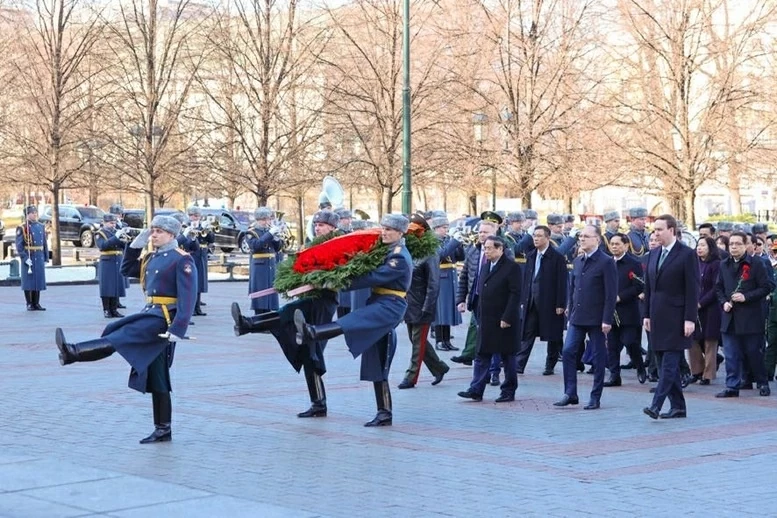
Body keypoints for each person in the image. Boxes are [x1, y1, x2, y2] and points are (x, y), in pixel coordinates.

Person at [55, 215, 196, 443]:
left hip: (163, 319)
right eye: (153, 231)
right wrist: (134, 246)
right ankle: (163, 429)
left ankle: (74, 352)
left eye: (159, 231)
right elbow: (127, 269)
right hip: (150, 312)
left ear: (172, 234)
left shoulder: (182, 259)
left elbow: (188, 297)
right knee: (157, 374)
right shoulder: (152, 257)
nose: (154, 235)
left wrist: (178, 328)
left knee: (122, 334)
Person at [294, 214, 413, 427]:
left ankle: (313, 332)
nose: (384, 232)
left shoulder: (399, 256)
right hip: (379, 301)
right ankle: (384, 413)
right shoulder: (384, 249)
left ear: (400, 233)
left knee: (355, 320)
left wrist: (337, 282)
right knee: (377, 360)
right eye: (383, 228)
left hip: (391, 305)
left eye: (389, 230)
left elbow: (374, 277)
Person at [232, 209, 340, 418]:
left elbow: (340, 273)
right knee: (309, 352)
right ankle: (318, 404)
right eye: (316, 224)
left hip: (324, 300)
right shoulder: (311, 244)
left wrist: (320, 278)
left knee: (303, 334)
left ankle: (248, 324)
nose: (317, 227)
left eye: (322, 225)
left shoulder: (339, 245)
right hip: (309, 297)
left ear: (332, 228)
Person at [643, 214, 699, 420]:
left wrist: (690, 319)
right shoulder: (653, 254)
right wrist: (646, 314)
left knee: (668, 366)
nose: (655, 233)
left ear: (671, 230)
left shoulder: (686, 254)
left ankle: (656, 405)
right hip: (657, 317)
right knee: (664, 364)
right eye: (654, 229)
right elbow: (649, 287)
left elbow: (693, 289)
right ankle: (678, 407)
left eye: (659, 229)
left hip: (677, 318)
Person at [554, 225, 617, 410]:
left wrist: (607, 319)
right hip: (577, 317)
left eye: (586, 236)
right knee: (568, 351)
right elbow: (573, 287)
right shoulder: (579, 260)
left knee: (598, 358)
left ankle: (595, 396)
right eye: (580, 236)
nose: (581, 239)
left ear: (596, 239)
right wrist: (570, 308)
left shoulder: (606, 262)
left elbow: (610, 293)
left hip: (597, 318)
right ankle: (570, 392)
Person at [450, 212, 514, 386]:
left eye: (485, 232)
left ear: (494, 234)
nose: (481, 235)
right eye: (480, 232)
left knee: (493, 339)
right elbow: (464, 277)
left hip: (497, 304)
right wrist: (461, 299)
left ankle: (494, 373)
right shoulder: (472, 250)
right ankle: (480, 379)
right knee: (481, 340)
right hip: (477, 300)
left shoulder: (505, 252)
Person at [457, 236, 521, 402]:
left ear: (500, 249)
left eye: (489, 248)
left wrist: (507, 317)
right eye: (485, 248)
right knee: (481, 354)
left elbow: (515, 295)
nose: (486, 251)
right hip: (486, 319)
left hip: (504, 320)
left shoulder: (511, 267)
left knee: (507, 357)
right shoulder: (485, 267)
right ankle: (476, 389)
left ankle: (508, 390)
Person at [715, 231, 772, 398]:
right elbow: (718, 287)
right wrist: (724, 301)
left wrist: (746, 297)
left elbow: (767, 286)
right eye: (731, 244)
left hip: (751, 317)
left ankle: (762, 382)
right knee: (731, 354)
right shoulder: (724, 264)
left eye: (738, 244)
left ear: (747, 245)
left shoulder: (756, 264)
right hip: (730, 317)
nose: (733, 247)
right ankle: (732, 386)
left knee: (754, 353)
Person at [399, 214, 449, 389]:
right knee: (417, 342)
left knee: (417, 345)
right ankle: (440, 367)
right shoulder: (409, 252)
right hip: (409, 304)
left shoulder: (430, 252)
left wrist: (427, 307)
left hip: (422, 306)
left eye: (413, 231)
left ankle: (411, 377)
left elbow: (433, 284)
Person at [515, 225, 567, 375]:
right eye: (534, 236)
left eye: (539, 236)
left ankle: (550, 364)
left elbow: (562, 282)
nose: (536, 239)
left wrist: (560, 304)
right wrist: (523, 300)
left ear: (547, 238)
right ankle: (519, 364)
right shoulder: (531, 255)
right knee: (527, 332)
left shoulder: (556, 257)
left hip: (550, 302)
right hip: (531, 301)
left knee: (553, 335)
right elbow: (527, 280)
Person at [604, 233, 646, 386]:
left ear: (626, 245)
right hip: (610, 311)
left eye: (617, 244)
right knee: (612, 346)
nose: (614, 247)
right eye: (612, 244)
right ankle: (615, 376)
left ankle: (640, 366)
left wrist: (620, 297)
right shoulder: (607, 262)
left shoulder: (633, 263)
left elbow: (639, 286)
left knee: (630, 341)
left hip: (628, 311)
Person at [690, 236, 722, 385]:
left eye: (703, 245)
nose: (699, 248)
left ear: (710, 247)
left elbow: (716, 288)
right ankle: (696, 371)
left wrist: (701, 303)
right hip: (694, 306)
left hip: (710, 307)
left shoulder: (716, 264)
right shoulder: (694, 263)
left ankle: (708, 375)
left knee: (709, 341)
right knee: (693, 339)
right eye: (698, 245)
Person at [429, 211, 462, 351]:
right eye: (443, 227)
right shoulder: (432, 241)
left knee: (448, 311)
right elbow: (441, 255)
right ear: (436, 229)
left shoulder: (447, 240)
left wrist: (459, 244)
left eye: (447, 227)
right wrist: (454, 242)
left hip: (450, 276)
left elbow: (460, 257)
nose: (446, 230)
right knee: (441, 311)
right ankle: (439, 341)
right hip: (440, 277)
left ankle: (447, 340)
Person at [246, 207, 283, 315]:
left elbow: (277, 248)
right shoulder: (251, 232)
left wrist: (277, 239)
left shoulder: (269, 231)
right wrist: (270, 234)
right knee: (260, 293)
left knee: (270, 292)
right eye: (264, 220)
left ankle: (268, 317)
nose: (267, 222)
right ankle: (259, 318)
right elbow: (256, 245)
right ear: (258, 220)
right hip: (259, 265)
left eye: (268, 219)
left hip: (271, 264)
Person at [15, 205, 48, 311]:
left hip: (38, 255)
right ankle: (29, 303)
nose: (35, 214)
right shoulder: (23, 227)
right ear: (27, 214)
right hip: (29, 255)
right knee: (29, 281)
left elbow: (44, 243)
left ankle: (36, 302)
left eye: (35, 212)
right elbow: (19, 245)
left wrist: (46, 256)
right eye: (32, 213)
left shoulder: (40, 226)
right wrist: (24, 257)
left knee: (38, 280)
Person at [95, 214, 127, 318]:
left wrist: (126, 239)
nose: (113, 225)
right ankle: (106, 309)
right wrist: (116, 237)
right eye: (110, 223)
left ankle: (114, 309)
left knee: (116, 286)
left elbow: (122, 246)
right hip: (107, 261)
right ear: (104, 223)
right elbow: (103, 246)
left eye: (114, 223)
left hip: (117, 260)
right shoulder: (100, 233)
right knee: (107, 286)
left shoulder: (115, 232)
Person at [186, 207, 214, 316]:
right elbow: (186, 242)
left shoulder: (202, 226)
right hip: (192, 254)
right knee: (192, 281)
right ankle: (192, 308)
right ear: (190, 216)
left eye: (197, 216)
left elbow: (211, 240)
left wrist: (208, 230)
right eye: (194, 215)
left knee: (200, 281)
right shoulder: (186, 226)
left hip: (202, 253)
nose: (196, 218)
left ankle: (197, 307)